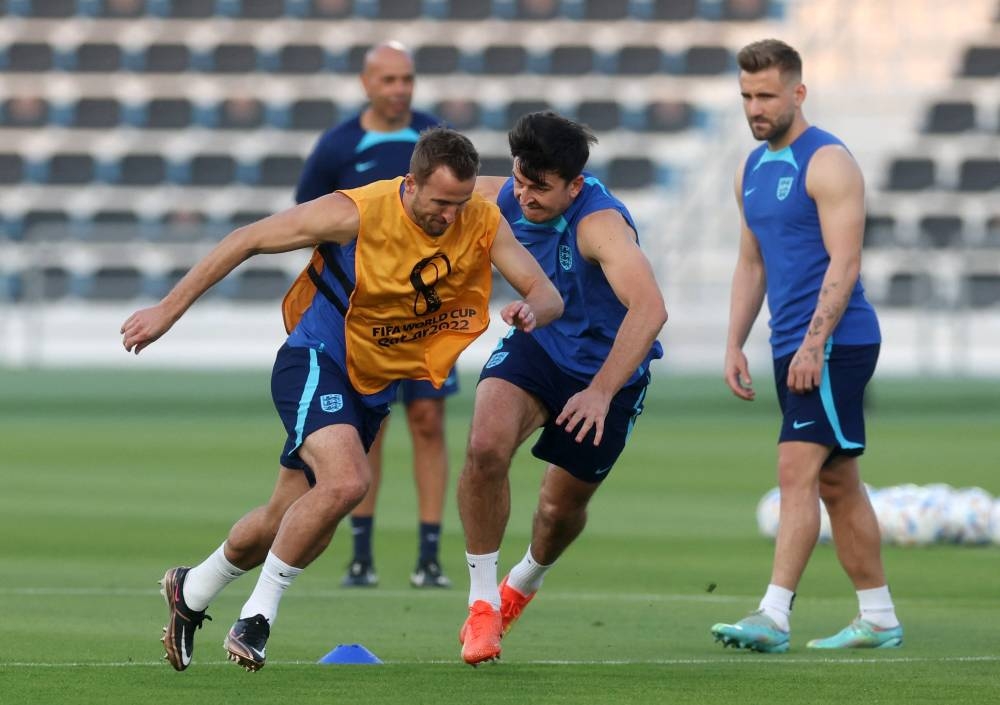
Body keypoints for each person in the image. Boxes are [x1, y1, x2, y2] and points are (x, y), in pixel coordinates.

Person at [121, 127, 563, 672]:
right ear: (411, 183)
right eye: (440, 203)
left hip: (372, 386)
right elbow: (246, 239)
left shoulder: (480, 218)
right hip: (315, 361)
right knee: (349, 482)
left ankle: (192, 588)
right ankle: (257, 618)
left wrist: (531, 310)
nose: (450, 216)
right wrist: (167, 310)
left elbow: (545, 291)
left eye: (459, 202)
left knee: (284, 520)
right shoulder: (357, 211)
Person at [454, 111, 668, 666]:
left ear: (574, 185)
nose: (524, 197)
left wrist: (599, 391)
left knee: (556, 511)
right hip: (540, 346)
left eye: (540, 189)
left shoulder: (600, 225)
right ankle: (482, 605)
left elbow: (650, 309)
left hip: (608, 374)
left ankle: (522, 584)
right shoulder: (508, 192)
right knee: (484, 449)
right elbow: (425, 190)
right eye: (520, 181)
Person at [710, 39, 902, 653]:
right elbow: (750, 264)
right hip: (789, 345)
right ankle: (878, 616)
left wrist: (814, 344)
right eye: (745, 96)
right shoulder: (750, 168)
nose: (754, 107)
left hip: (836, 341)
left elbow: (845, 264)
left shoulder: (829, 163)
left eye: (765, 95)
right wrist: (734, 342)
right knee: (837, 481)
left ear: (798, 92)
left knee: (796, 467)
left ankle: (773, 614)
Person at [295, 40, 456, 589]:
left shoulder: (435, 139)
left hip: (428, 313)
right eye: (388, 80)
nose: (400, 89)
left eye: (407, 79)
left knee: (429, 422)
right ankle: (361, 555)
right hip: (363, 319)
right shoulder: (339, 146)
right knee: (372, 426)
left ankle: (429, 556)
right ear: (367, 83)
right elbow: (307, 221)